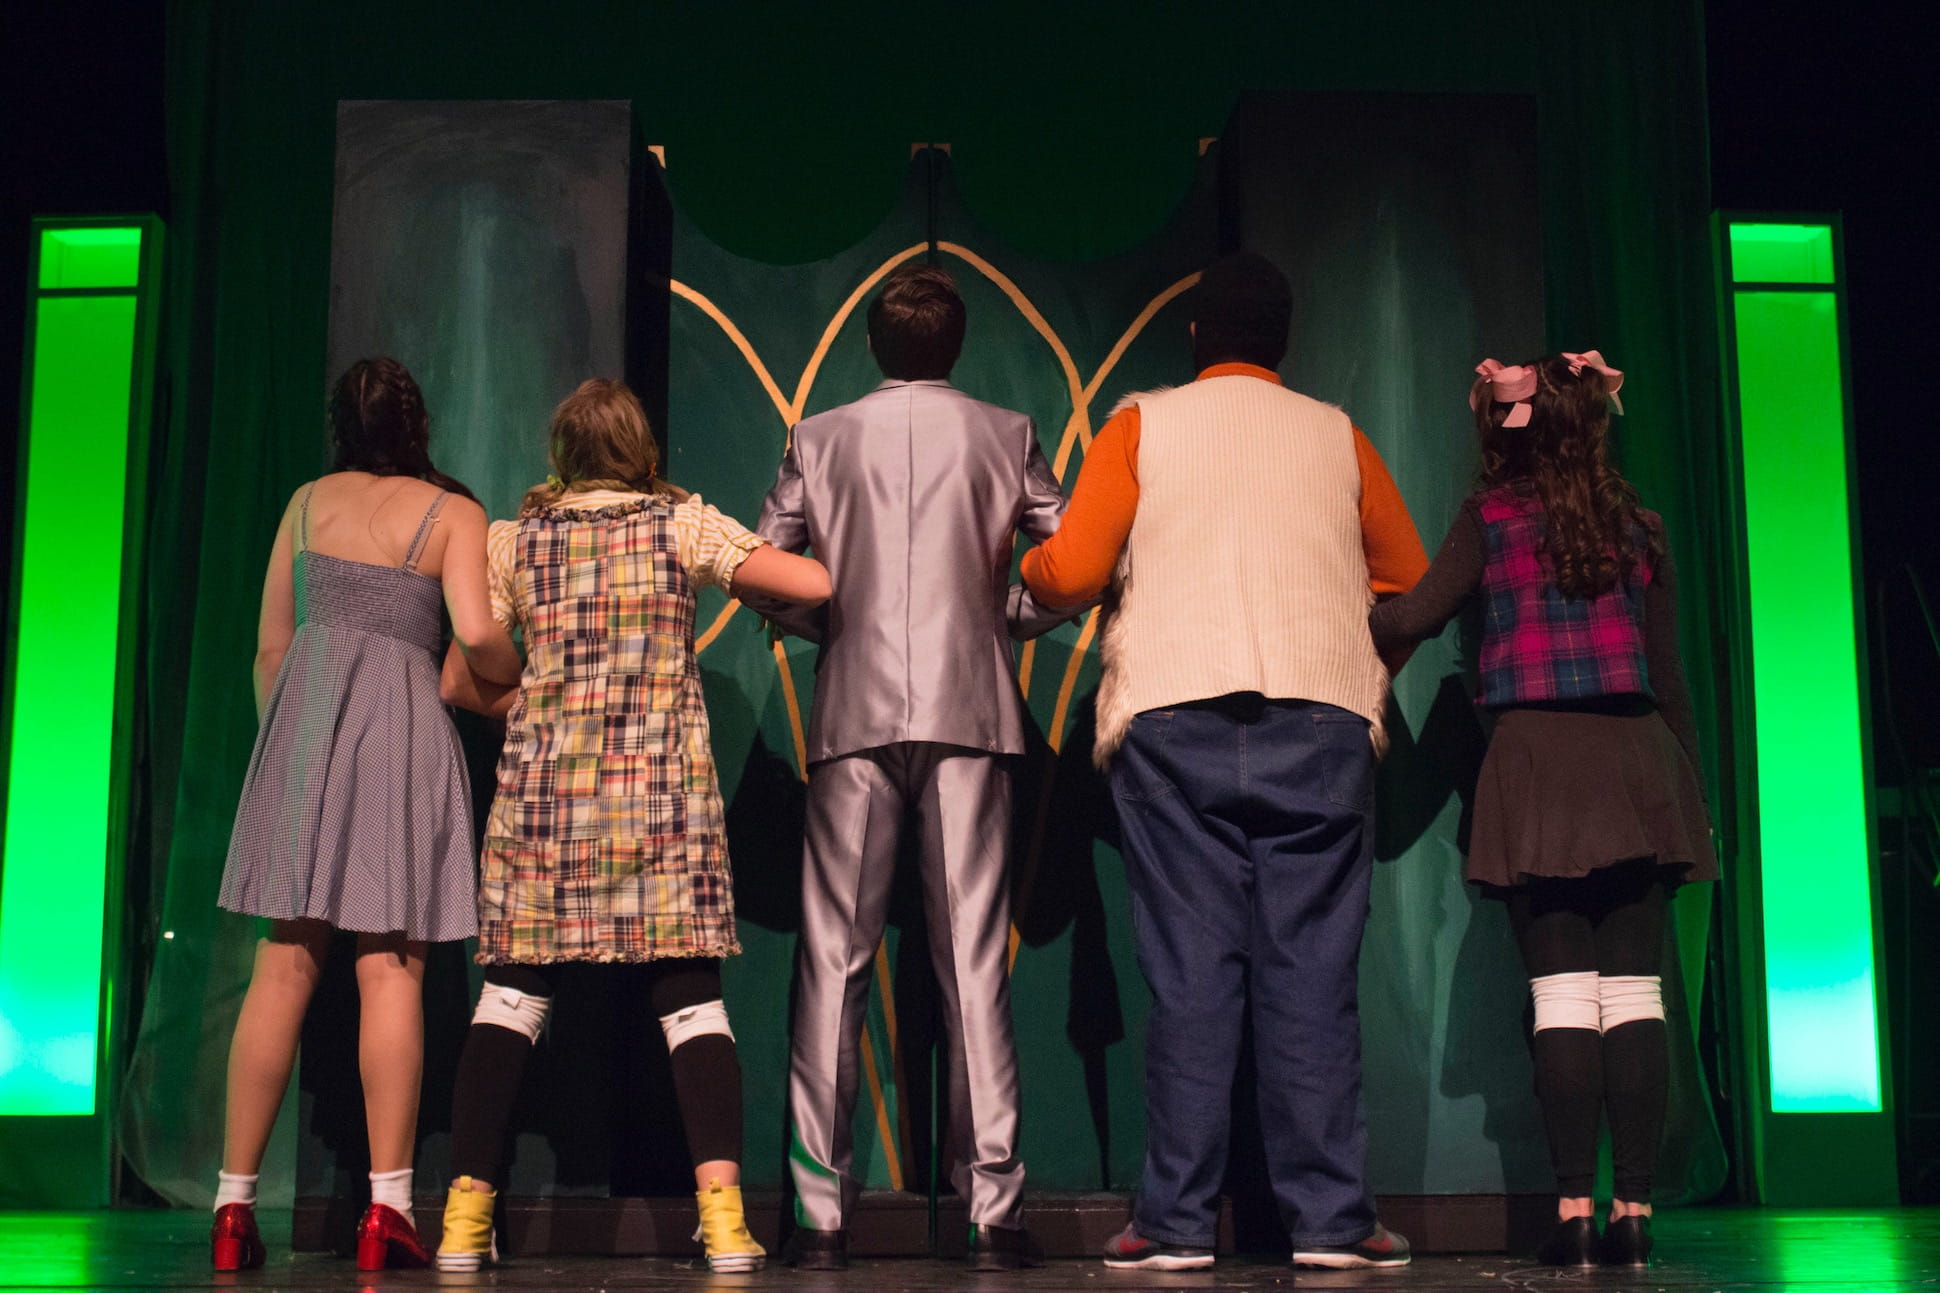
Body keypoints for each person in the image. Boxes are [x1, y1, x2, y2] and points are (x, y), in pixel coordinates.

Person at [1019, 252, 1427, 1272]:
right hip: (1321, 718)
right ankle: (1332, 1225)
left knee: (1190, 977)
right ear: (1283, 343)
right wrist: (1348, 652)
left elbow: (1065, 573)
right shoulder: (1337, 434)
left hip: (1175, 718)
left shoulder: (1140, 423)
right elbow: (1411, 584)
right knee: (1313, 976)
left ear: (1195, 337)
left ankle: (1173, 1224)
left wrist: (1018, 561)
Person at [433, 378, 830, 1275]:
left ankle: (462, 1224)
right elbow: (810, 580)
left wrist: (542, 691)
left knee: (508, 999)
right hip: (661, 807)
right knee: (691, 1005)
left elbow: (460, 679)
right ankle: (725, 1225)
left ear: (561, 456)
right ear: (643, 454)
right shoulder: (680, 526)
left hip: (546, 804)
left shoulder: (511, 541)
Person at [747, 263, 1070, 1273]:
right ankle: (992, 1213)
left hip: (851, 710)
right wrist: (1000, 627)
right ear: (955, 344)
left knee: (831, 966)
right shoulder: (1008, 432)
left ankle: (818, 1217)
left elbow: (760, 560)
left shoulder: (820, 434)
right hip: (971, 712)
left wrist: (829, 630)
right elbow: (1071, 563)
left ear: (878, 347)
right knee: (972, 964)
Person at [1368, 352, 1714, 1268]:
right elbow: (1669, 678)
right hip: (1637, 762)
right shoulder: (1641, 527)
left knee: (1562, 999)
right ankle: (1634, 1212)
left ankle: (1571, 1211)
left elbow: (1412, 619)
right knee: (1634, 995)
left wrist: (1336, 610)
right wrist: (1694, 802)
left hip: (1538, 768)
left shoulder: (1490, 520)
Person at [211, 358, 522, 1272]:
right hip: (400, 733)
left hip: (304, 728)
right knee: (390, 966)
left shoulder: (305, 502)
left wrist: (299, 746)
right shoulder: (452, 513)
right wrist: (521, 666)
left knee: (284, 963)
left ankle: (233, 1208)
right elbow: (474, 633)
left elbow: (270, 647)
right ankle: (387, 1210)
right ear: (417, 422)